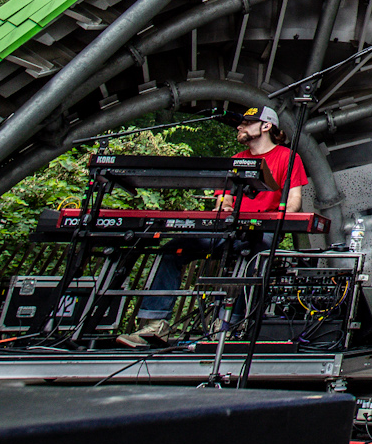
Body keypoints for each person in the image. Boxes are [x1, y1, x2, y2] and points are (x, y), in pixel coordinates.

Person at [116, 104, 308, 348]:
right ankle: (156, 324)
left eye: (247, 123)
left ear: (266, 126)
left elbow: (294, 202)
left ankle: (230, 326)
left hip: (262, 232)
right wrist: (225, 206)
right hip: (228, 230)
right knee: (172, 250)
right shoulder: (237, 159)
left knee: (256, 259)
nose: (240, 127)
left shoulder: (287, 157)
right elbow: (223, 198)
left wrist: (270, 219)